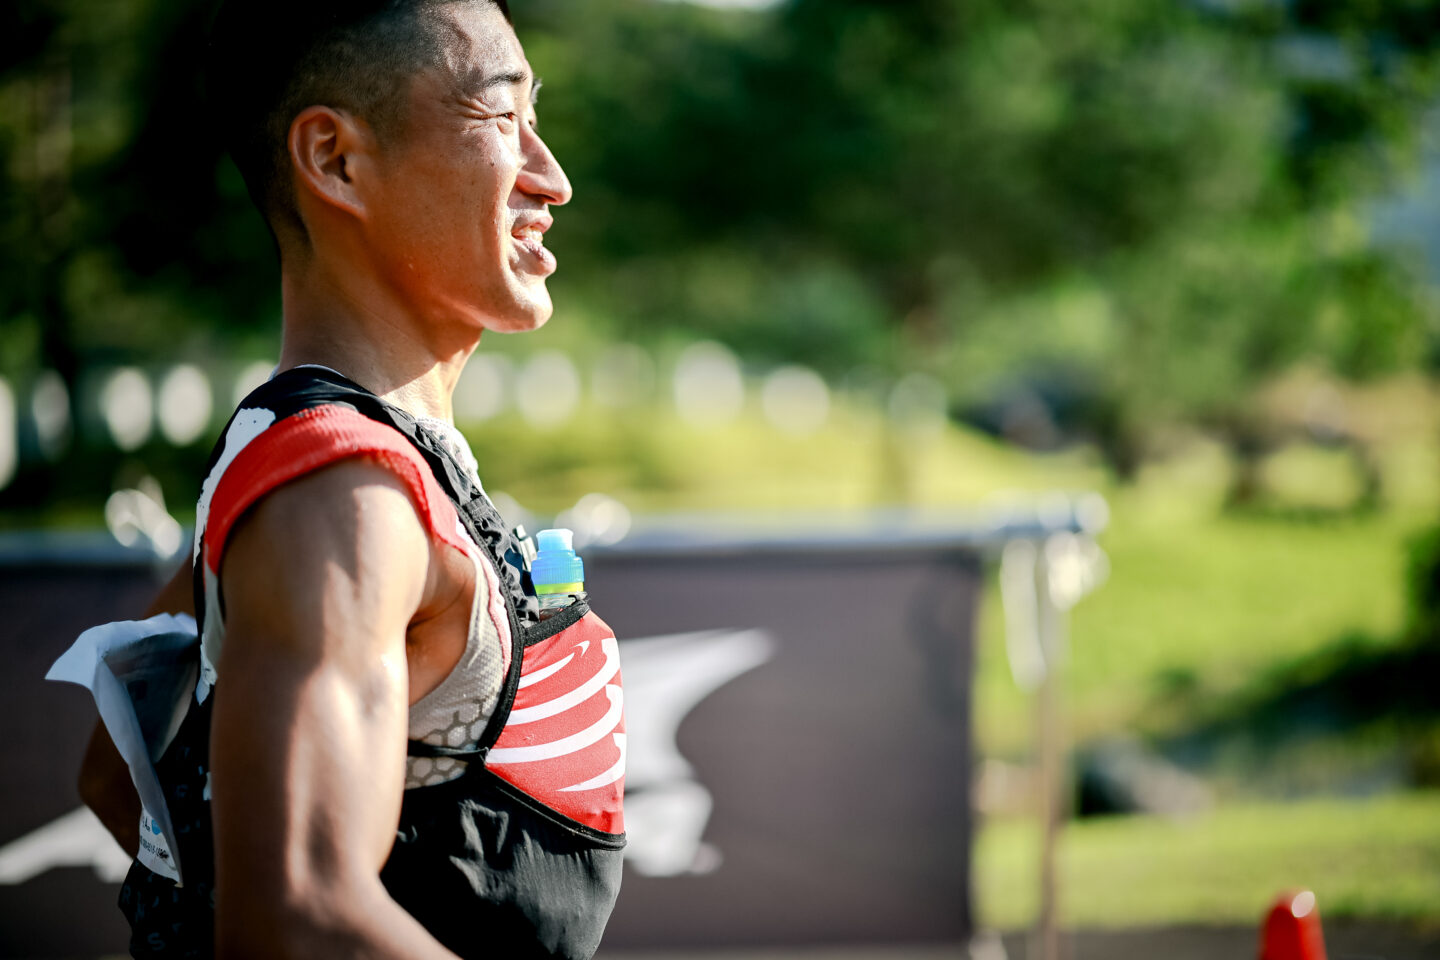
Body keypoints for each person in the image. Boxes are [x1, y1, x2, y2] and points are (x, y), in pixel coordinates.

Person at [75, 2, 627, 957]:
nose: (552, 177)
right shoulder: (344, 492)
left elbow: (121, 775)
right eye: (502, 118)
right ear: (335, 161)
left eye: (537, 118)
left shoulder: (325, 464)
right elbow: (296, 917)